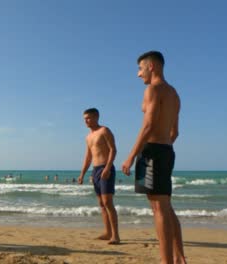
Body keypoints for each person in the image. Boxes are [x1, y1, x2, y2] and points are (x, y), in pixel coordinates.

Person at [121, 51, 185, 264]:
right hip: (167, 151)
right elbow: (174, 132)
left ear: (152, 67)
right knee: (166, 206)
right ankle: (179, 257)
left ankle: (167, 261)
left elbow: (148, 125)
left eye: (140, 68)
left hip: (152, 152)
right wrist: (163, 148)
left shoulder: (153, 90)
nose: (138, 74)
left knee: (158, 209)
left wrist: (131, 156)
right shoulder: (174, 94)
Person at [78, 108, 120, 244]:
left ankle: (116, 236)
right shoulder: (88, 137)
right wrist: (82, 173)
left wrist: (108, 167)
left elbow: (113, 149)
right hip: (95, 170)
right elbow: (88, 156)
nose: (86, 121)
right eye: (85, 118)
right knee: (101, 204)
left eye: (88, 118)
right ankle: (108, 233)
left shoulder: (104, 131)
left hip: (105, 168)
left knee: (108, 202)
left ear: (96, 117)